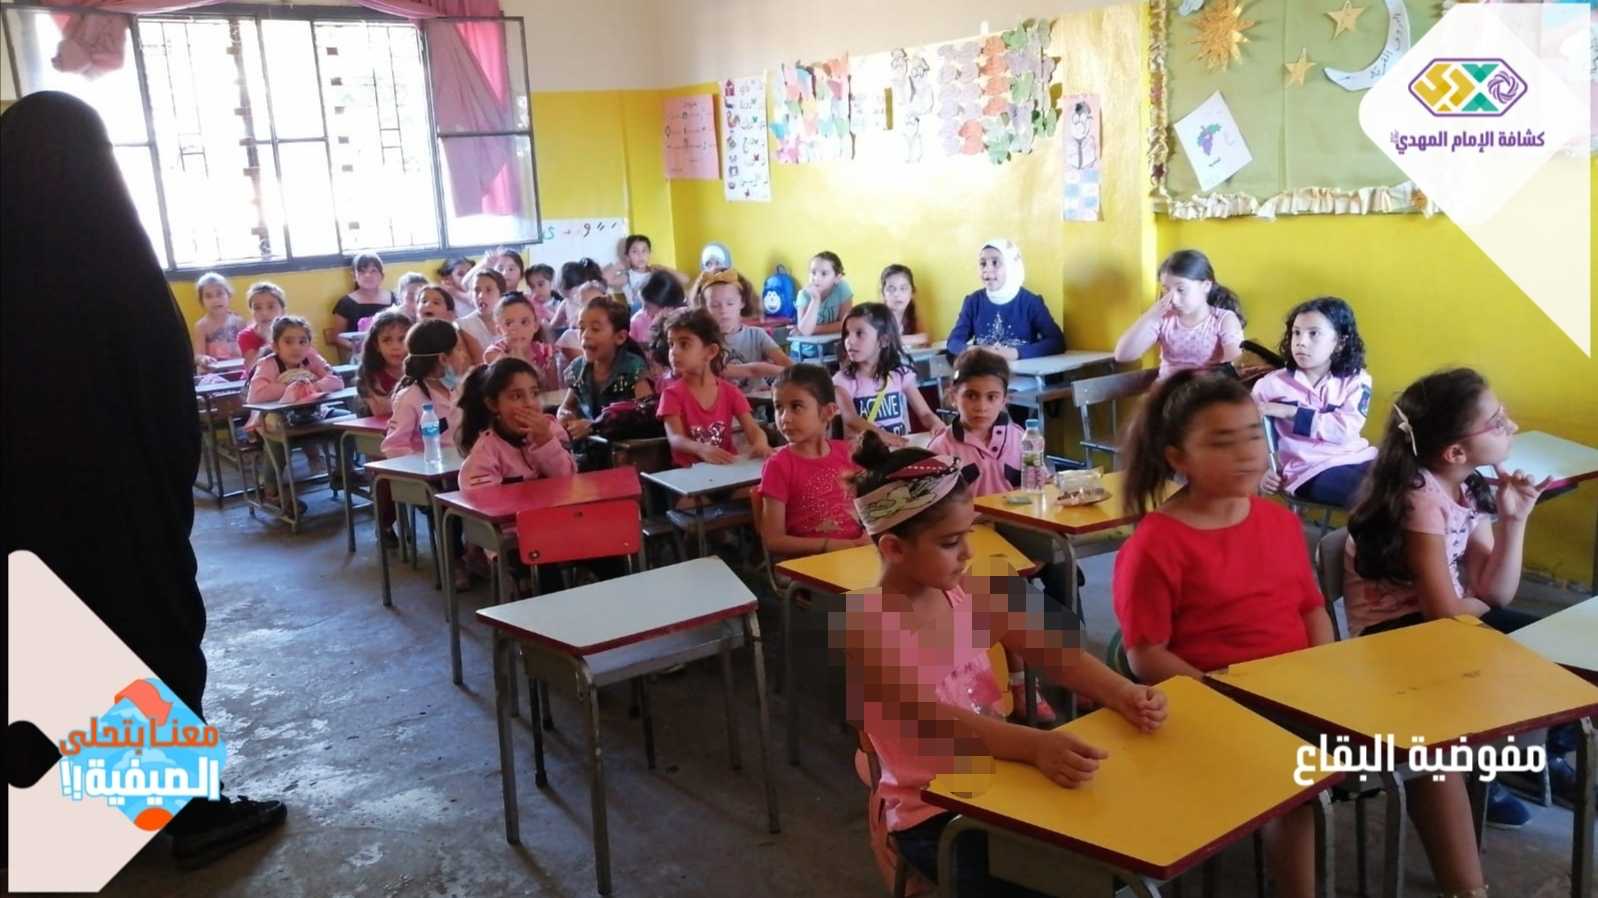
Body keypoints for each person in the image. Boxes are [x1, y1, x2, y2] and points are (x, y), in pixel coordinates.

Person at [3, 90, 286, 868]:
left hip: (19, 516)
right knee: (139, 637)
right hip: (117, 508)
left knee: (37, 650)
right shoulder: (113, 268)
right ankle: (181, 816)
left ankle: (46, 812)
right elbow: (164, 398)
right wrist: (162, 498)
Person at [845, 432, 1166, 895]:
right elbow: (934, 723)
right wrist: (1034, 745)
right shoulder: (868, 630)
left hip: (1004, 777)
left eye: (968, 534)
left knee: (1121, 855)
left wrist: (1123, 692)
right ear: (894, 548)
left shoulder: (977, 587)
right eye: (951, 542)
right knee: (1070, 880)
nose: (968, 552)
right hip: (935, 813)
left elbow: (1058, 653)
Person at [1346, 367, 1563, 826]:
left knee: (1557, 647)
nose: (1512, 425)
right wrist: (1481, 601)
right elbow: (1445, 613)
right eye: (1497, 422)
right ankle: (1485, 768)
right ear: (1456, 451)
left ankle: (1536, 754)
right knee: (1508, 663)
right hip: (1393, 636)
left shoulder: (1468, 484)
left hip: (1446, 622)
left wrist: (1515, 521)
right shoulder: (1419, 499)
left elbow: (1497, 590)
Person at [1252, 297, 1376, 508]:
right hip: (1307, 470)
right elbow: (1249, 436)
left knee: (1412, 483)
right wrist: (1262, 472)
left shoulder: (1357, 379)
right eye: (1296, 333)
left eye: (1313, 334)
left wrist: (1290, 412)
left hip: (1356, 455)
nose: (1301, 342)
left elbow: (1344, 430)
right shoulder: (1269, 385)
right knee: (1376, 498)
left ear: (1340, 342)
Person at [756, 364, 869, 558]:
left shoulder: (849, 453)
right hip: (812, 563)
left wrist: (869, 534)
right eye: (778, 407)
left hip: (857, 554)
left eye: (796, 407)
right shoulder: (778, 465)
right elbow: (773, 540)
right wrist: (830, 546)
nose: (784, 418)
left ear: (829, 412)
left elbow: (870, 508)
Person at [656, 308, 772, 467]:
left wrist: (760, 443)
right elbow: (676, 439)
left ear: (711, 351)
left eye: (684, 344)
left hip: (726, 468)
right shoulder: (672, 394)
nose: (674, 352)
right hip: (689, 473)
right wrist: (701, 449)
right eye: (671, 344)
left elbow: (753, 430)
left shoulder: (731, 392)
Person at [1113, 249, 1245, 380]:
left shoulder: (1223, 319)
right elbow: (1123, 355)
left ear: (1206, 286)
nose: (1173, 299)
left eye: (1181, 289)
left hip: (1205, 390)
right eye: (1166, 289)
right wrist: (1153, 313)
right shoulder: (1164, 319)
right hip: (1167, 390)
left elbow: (1234, 367)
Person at [834, 303, 943, 446]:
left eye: (859, 333)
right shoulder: (843, 380)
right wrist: (888, 438)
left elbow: (924, 414)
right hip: (863, 455)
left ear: (884, 340)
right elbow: (851, 419)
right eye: (847, 334)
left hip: (895, 451)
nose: (849, 341)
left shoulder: (899, 375)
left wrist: (935, 423)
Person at [945, 239, 1065, 360]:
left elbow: (1056, 342)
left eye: (995, 263)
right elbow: (953, 341)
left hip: (1023, 370)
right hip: (983, 369)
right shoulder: (973, 302)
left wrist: (1015, 353)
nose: (987, 269)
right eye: (983, 264)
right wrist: (973, 350)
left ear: (1011, 266)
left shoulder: (1031, 303)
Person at [327, 253, 396, 358]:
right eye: (362, 271)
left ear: (382, 275)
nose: (368, 275)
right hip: (360, 356)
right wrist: (357, 348)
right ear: (354, 276)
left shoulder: (394, 298)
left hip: (391, 352)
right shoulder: (346, 303)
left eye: (373, 271)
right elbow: (336, 337)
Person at [190, 271, 245, 372]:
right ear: (202, 301)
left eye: (219, 294)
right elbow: (198, 355)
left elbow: (248, 348)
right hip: (214, 371)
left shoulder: (238, 321)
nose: (215, 300)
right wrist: (203, 359)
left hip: (239, 368)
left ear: (228, 295)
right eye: (208, 296)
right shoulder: (201, 326)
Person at [794, 250, 853, 337]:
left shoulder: (842, 289)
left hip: (833, 343)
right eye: (813, 272)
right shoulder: (804, 295)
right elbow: (805, 331)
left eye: (824, 273)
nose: (816, 278)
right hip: (806, 345)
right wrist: (815, 299)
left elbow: (846, 323)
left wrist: (814, 329)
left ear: (837, 278)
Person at [237, 281, 286, 371]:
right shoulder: (246, 336)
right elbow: (252, 368)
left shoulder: (292, 330)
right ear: (251, 312)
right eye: (257, 308)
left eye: (271, 307)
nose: (264, 313)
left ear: (282, 310)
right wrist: (269, 340)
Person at [879, 263, 926, 348]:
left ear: (912, 292)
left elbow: (925, 338)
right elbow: (878, 340)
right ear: (883, 293)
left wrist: (895, 340)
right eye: (891, 289)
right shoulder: (876, 317)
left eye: (903, 288)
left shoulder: (912, 314)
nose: (897, 294)